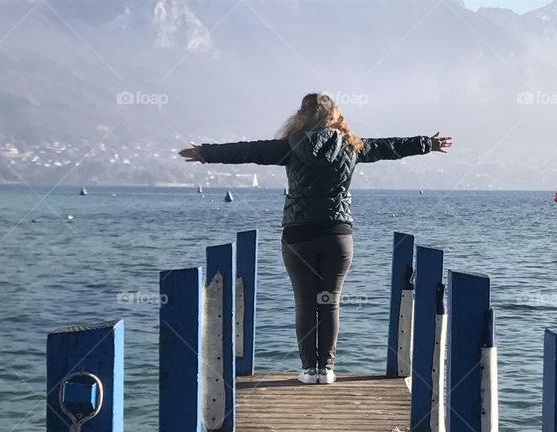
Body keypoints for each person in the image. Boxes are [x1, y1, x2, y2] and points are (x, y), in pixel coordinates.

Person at [179, 92, 451, 384]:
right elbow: (390, 147)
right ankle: (327, 369)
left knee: (305, 303)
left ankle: (309, 370)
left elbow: (248, 151)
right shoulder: (353, 146)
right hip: (337, 233)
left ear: (302, 116)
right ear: (335, 116)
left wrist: (206, 153)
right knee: (329, 302)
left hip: (298, 234)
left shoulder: (290, 146)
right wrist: (427, 143)